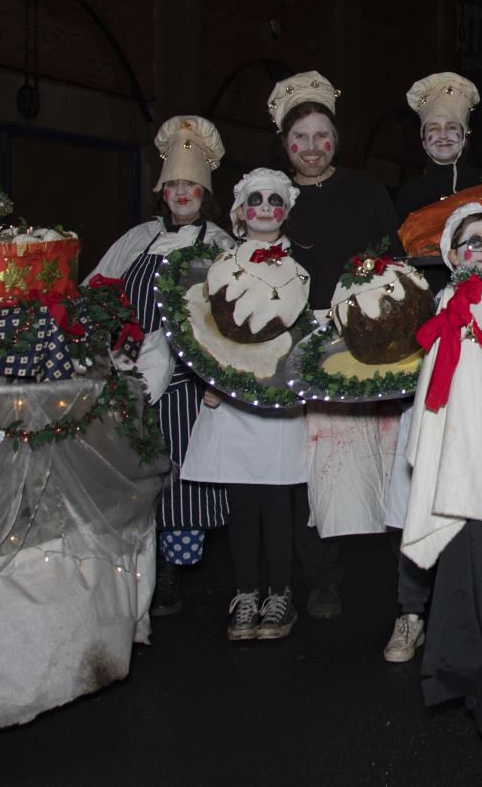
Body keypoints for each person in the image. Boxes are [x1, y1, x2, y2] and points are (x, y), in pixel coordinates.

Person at [267, 72, 404, 619]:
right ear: (285, 146)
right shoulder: (272, 197)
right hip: (308, 339)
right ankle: (321, 578)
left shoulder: (367, 186)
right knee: (319, 456)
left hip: (370, 331)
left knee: (387, 449)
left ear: (336, 141)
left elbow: (392, 254)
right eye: (299, 139)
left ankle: (406, 579)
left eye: (321, 136)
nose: (311, 148)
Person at [87, 115, 236, 616]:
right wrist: (112, 344)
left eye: (190, 183)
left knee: (179, 474)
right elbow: (95, 293)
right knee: (131, 471)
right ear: (161, 189)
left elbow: (235, 313)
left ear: (205, 190)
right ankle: (135, 566)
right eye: (173, 183)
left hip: (188, 384)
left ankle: (171, 570)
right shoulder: (136, 239)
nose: (181, 192)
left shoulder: (219, 244)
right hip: (128, 373)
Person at [181, 168, 310, 641]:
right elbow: (198, 327)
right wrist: (208, 379)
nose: (264, 208)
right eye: (255, 200)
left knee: (277, 500)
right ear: (240, 210)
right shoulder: (218, 264)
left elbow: (304, 335)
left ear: (287, 212)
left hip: (278, 397)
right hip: (232, 398)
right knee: (243, 502)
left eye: (275, 201)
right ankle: (245, 592)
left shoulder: (300, 270)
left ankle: (280, 594)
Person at [383, 202, 482, 664]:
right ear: (454, 255)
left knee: (478, 527)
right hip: (435, 423)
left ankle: (473, 623)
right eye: (474, 242)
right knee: (423, 514)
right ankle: (411, 615)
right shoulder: (430, 302)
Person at [395, 72, 482, 218]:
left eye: (451, 127)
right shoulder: (409, 195)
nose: (443, 136)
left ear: (464, 138)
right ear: (424, 143)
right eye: (434, 129)